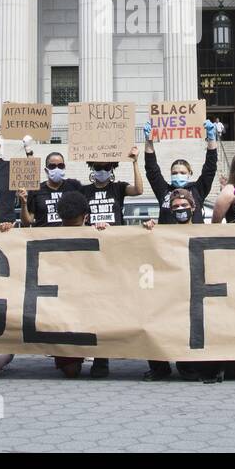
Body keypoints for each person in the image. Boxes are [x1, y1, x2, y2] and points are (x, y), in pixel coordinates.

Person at [81, 147, 142, 378]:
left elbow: (139, 190)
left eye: (106, 167)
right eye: (98, 168)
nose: (102, 171)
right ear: (91, 169)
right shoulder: (84, 190)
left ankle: (116, 347)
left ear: (113, 168)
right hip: (91, 255)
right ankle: (101, 357)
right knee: (96, 304)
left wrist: (134, 162)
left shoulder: (118, 188)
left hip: (116, 253)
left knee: (114, 303)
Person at [142, 188, 207, 381]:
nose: (181, 209)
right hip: (169, 290)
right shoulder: (163, 232)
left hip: (195, 290)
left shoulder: (205, 231)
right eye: (176, 206)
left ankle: (187, 364)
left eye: (184, 205)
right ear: (170, 211)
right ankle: (159, 367)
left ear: (193, 207)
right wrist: (148, 230)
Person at [50, 190, 103, 379]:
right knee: (71, 372)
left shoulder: (97, 233)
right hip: (63, 304)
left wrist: (106, 232)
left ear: (86, 217)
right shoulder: (50, 236)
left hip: (91, 300)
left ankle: (101, 358)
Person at [142, 119, 219, 224]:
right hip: (168, 234)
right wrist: (148, 140)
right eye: (174, 173)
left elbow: (210, 168)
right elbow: (152, 170)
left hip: (194, 234)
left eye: (182, 173)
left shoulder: (197, 189)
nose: (178, 175)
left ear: (189, 174)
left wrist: (211, 138)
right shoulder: (164, 190)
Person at [18, 152, 81, 227]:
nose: (57, 169)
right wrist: (24, 203)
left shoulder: (73, 187)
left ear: (64, 167)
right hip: (43, 233)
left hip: (68, 233)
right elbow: (27, 222)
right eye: (52, 166)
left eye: (60, 166)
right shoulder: (36, 190)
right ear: (46, 170)